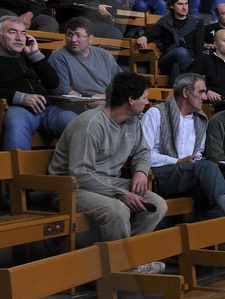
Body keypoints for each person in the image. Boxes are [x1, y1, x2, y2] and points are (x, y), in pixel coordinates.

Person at [48, 71, 167, 244]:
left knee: (157, 205)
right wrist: (120, 193)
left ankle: (127, 254)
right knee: (117, 209)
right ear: (131, 100)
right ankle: (123, 264)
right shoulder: (89, 125)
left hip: (108, 182)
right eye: (145, 97)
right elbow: (81, 174)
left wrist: (141, 171)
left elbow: (142, 151)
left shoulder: (133, 121)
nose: (147, 102)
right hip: (72, 188)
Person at [0, 15, 75, 150]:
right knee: (17, 126)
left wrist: (35, 55)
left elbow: (53, 83)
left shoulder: (29, 56)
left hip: (47, 109)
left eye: (23, 33)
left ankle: (84, 168)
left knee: (80, 125)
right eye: (12, 32)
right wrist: (21, 98)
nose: (19, 37)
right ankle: (16, 170)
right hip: (16, 109)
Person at [138, 72, 225, 217]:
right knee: (206, 169)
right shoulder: (156, 114)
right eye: (201, 92)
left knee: (211, 184)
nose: (205, 97)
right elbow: (143, 155)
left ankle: (217, 230)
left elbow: (198, 155)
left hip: (188, 174)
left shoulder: (200, 120)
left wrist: (190, 162)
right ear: (186, 92)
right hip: (159, 174)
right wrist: (177, 161)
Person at [138, 0, 205, 80]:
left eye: (186, 4)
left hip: (190, 60)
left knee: (176, 67)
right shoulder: (165, 21)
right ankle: (193, 81)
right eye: (180, 4)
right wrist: (144, 37)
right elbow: (151, 34)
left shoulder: (197, 23)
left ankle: (176, 93)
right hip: (168, 59)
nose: (184, 7)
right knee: (181, 51)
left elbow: (199, 48)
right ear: (171, 6)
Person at [49, 17, 121, 97]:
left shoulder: (104, 55)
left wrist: (108, 98)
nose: (73, 40)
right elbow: (62, 89)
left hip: (107, 102)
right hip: (79, 103)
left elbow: (120, 82)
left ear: (90, 39)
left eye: (78, 35)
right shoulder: (59, 57)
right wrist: (91, 98)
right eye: (69, 35)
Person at [190, 26, 225, 106]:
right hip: (210, 105)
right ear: (215, 45)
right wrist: (206, 92)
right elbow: (187, 81)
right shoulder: (203, 59)